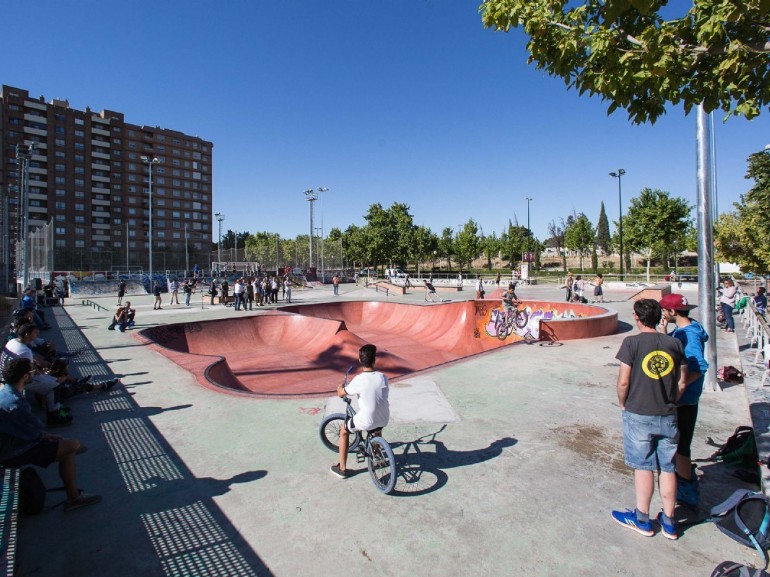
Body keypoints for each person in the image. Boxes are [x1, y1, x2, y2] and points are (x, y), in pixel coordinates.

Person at [611, 299, 687, 541]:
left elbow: (624, 380)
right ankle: (670, 522)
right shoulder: (674, 343)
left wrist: (622, 401)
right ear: (660, 317)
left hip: (639, 412)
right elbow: (682, 381)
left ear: (636, 317)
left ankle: (642, 518)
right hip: (668, 413)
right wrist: (671, 400)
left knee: (643, 466)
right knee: (668, 467)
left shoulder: (631, 343)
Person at [0, 357, 102, 512]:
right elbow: (33, 430)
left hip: (13, 445)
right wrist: (44, 436)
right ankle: (74, 495)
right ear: (25, 377)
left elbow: (29, 429)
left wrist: (45, 435)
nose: (35, 373)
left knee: (67, 452)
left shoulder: (7, 393)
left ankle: (73, 497)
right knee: (72, 445)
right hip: (12, 452)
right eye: (32, 371)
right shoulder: (15, 404)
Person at [658, 293, 709, 507]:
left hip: (684, 399)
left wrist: (680, 385)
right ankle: (684, 479)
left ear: (671, 312)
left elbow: (699, 366)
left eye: (664, 310)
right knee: (679, 444)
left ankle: (687, 487)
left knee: (681, 446)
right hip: (685, 396)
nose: (662, 313)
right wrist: (665, 334)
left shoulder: (689, 335)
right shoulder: (688, 329)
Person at [330, 344, 389, 479]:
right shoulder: (382, 377)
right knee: (376, 429)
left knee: (344, 430)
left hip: (367, 420)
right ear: (374, 360)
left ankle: (342, 468)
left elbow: (341, 393)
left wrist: (340, 387)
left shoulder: (358, 380)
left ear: (359, 360)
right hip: (384, 418)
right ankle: (378, 456)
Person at [2, 324, 72, 426]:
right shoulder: (25, 351)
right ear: (27, 334)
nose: (37, 334)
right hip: (18, 380)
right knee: (55, 384)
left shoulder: (12, 342)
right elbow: (31, 372)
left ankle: (47, 404)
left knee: (47, 379)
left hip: (9, 375)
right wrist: (47, 374)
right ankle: (54, 416)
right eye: (35, 332)